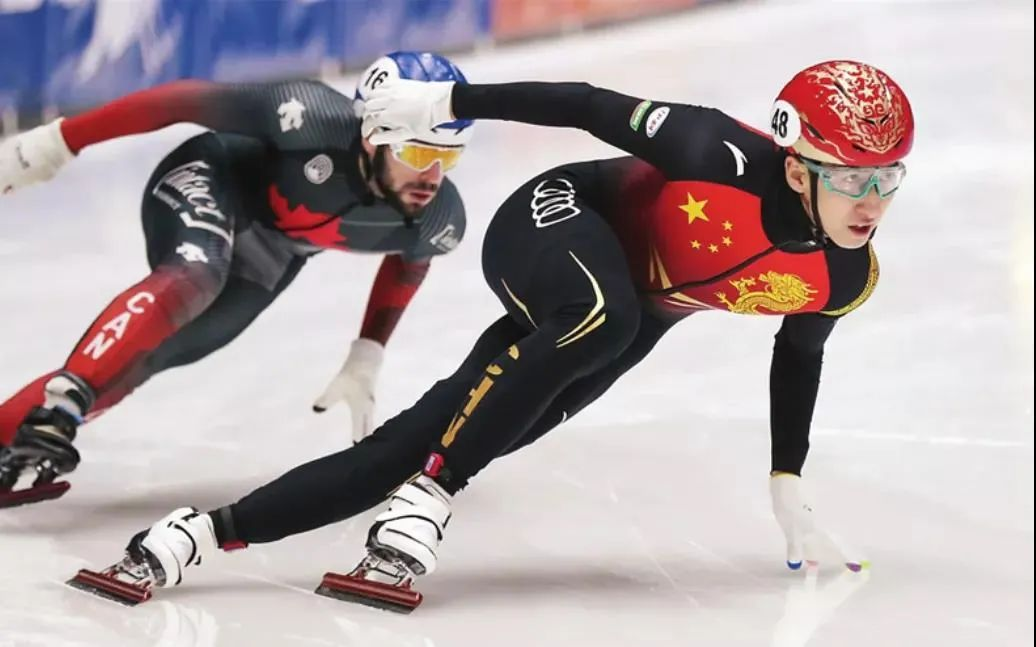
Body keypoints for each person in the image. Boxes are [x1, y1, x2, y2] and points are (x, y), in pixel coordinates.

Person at [71, 60, 912, 611]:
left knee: (436, 433)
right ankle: (433, 498)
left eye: (888, 178)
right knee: (603, 319)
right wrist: (448, 104)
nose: (872, 202)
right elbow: (585, 106)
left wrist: (787, 476)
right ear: (797, 165)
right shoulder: (717, 150)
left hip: (621, 313)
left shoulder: (846, 275)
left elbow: (800, 353)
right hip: (558, 219)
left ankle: (198, 532)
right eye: (855, 179)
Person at [0, 51, 474, 508]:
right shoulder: (308, 117)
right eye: (417, 152)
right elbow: (179, 101)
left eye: (448, 157)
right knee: (196, 274)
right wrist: (59, 141)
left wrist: (368, 352)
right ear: (372, 136)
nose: (432, 177)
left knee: (153, 355)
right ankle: (60, 408)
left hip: (273, 251)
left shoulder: (439, 218)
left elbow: (409, 263)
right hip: (212, 176)